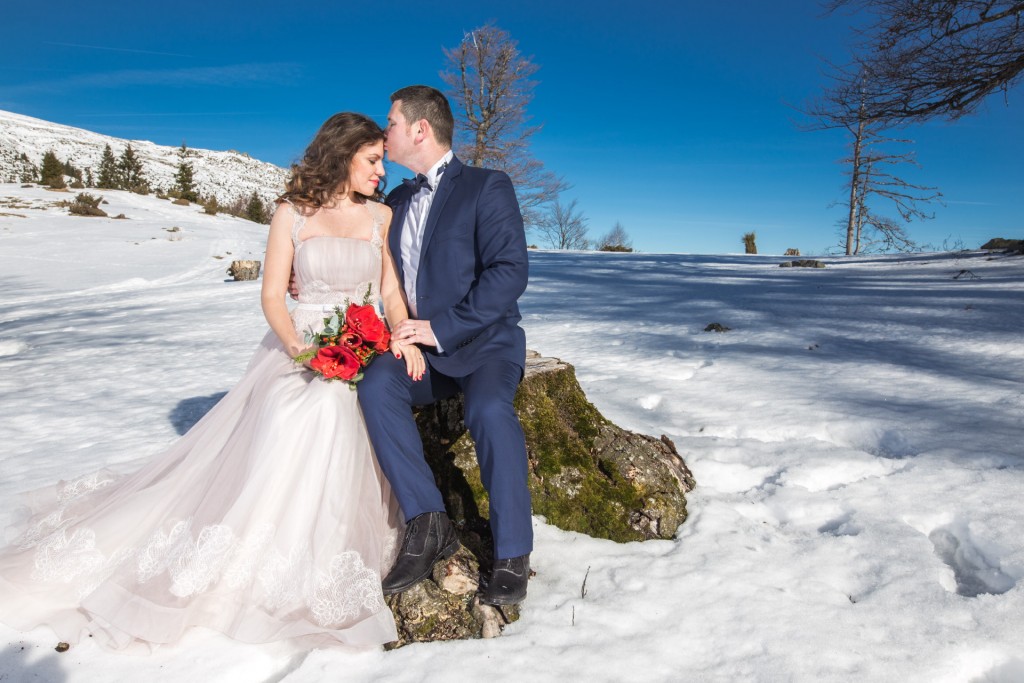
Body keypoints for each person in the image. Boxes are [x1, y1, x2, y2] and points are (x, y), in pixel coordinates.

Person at [0, 112, 423, 651]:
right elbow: (272, 295)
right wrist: (303, 350)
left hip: (362, 345)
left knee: (344, 408)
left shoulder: (380, 217)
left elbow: (387, 291)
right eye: (372, 159)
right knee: (306, 410)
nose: (381, 170)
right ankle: (258, 557)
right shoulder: (293, 213)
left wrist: (401, 335)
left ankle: (329, 549)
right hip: (302, 345)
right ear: (342, 156)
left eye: (382, 159)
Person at [357, 85, 533, 605]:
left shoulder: (487, 186)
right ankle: (427, 519)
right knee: (375, 387)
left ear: (419, 129)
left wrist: (443, 327)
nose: (383, 133)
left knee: (489, 409)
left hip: (485, 344)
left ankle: (512, 553)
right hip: (419, 353)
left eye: (390, 123)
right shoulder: (396, 199)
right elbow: (368, 261)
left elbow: (510, 271)